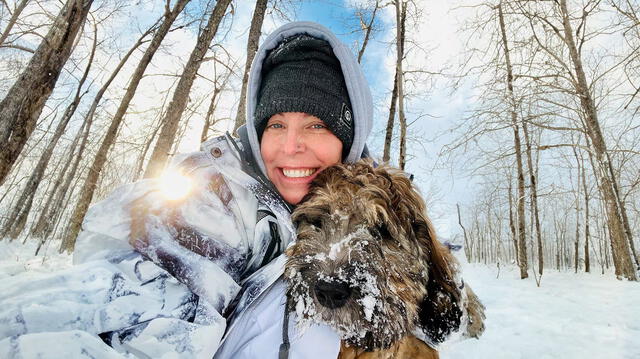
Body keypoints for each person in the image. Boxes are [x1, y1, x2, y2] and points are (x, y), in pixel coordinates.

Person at [0, 21, 372, 358]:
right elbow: (141, 310)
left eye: (316, 126)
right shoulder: (214, 197)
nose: (291, 146)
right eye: (275, 125)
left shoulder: (381, 221)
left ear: (349, 139)